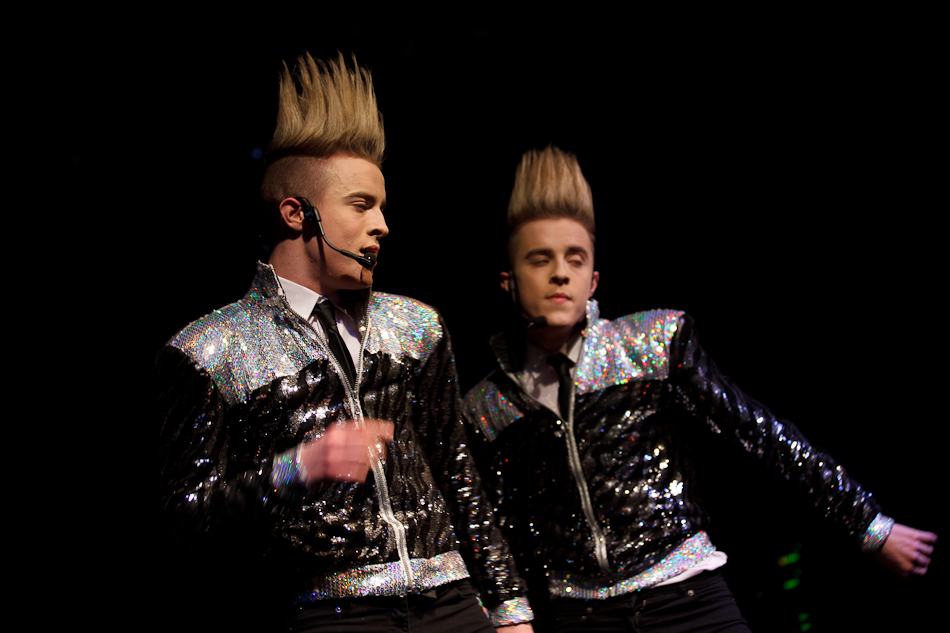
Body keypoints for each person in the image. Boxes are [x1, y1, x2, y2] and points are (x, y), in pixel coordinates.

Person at [461, 145, 936, 632]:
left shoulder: (652, 344)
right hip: (582, 615)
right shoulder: (487, 405)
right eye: (540, 260)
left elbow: (761, 434)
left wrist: (868, 524)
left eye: (575, 259)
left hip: (687, 597)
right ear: (508, 282)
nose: (561, 272)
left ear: (594, 280)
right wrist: (509, 612)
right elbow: (490, 521)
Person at [158, 53, 533, 632]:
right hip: (330, 614)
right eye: (361, 205)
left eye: (382, 206)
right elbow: (184, 524)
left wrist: (509, 607)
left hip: (452, 602)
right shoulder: (208, 351)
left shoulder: (416, 328)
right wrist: (297, 468)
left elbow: (457, 473)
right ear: (296, 214)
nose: (382, 224)